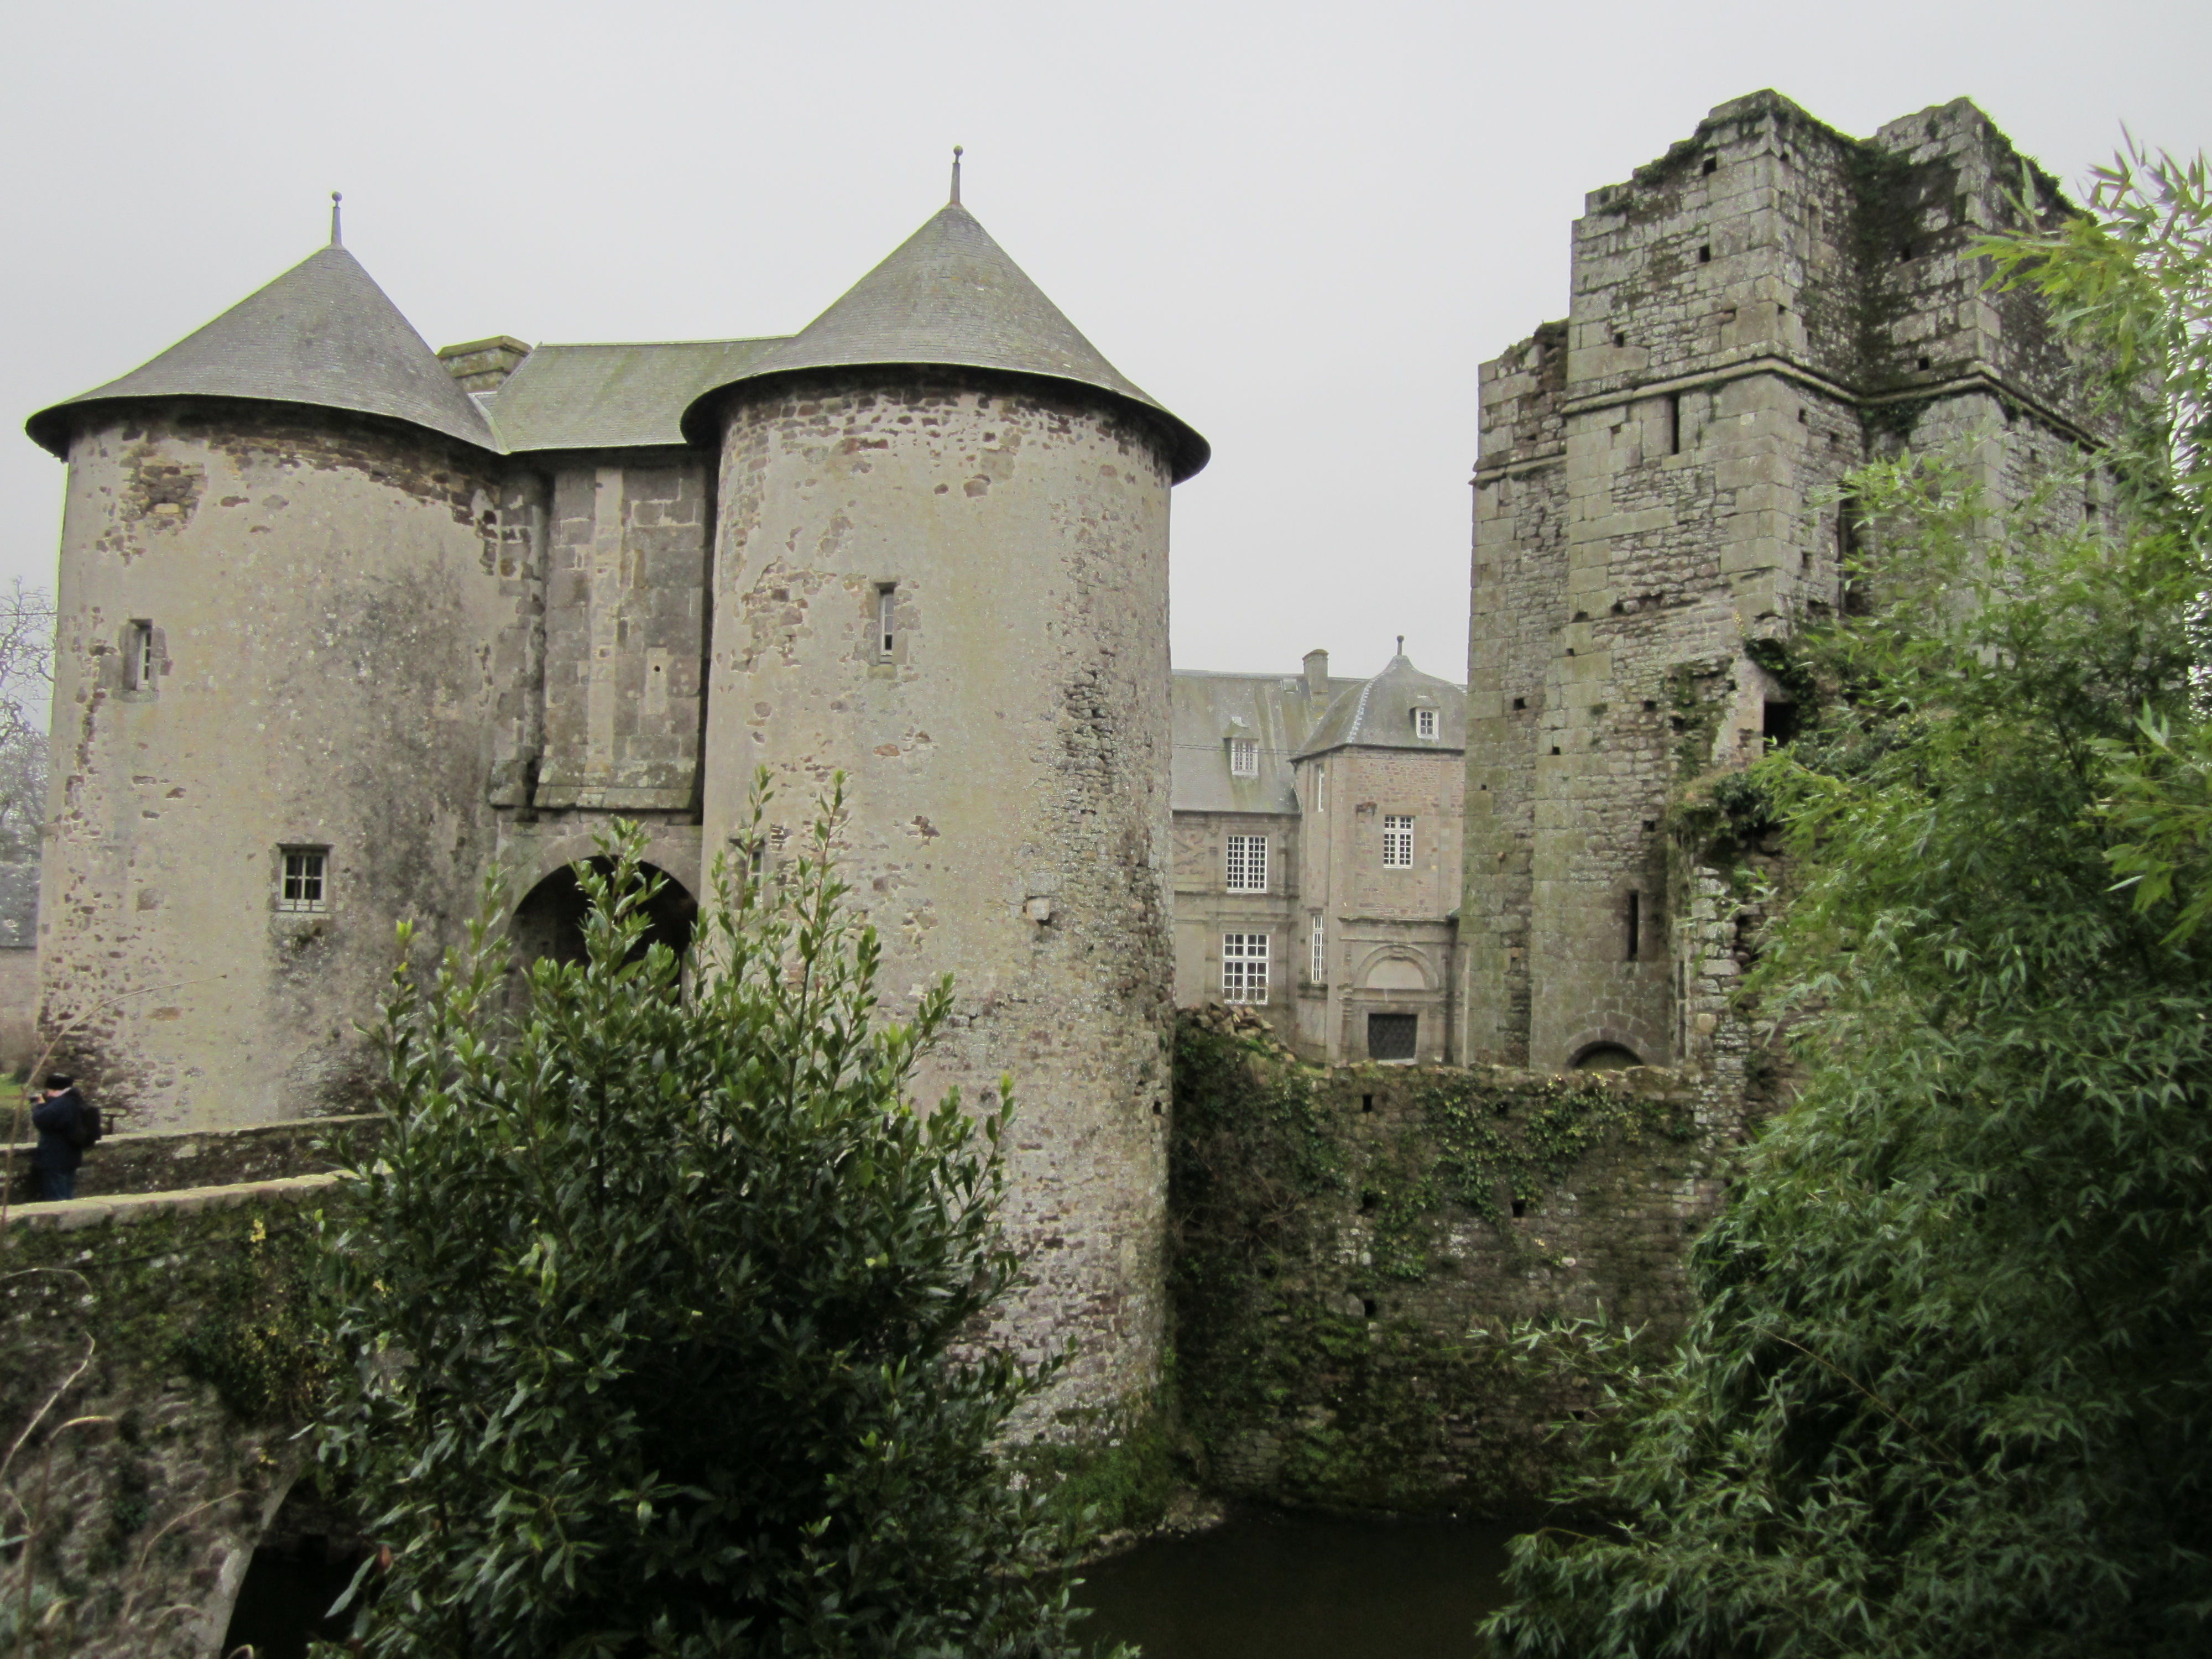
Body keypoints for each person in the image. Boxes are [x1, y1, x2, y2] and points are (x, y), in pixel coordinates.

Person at [30, 1074, 93, 1202]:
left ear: (54, 1090)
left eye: (49, 1091)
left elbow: (41, 1120)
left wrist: (40, 1105)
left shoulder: (62, 1105)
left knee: (57, 1197)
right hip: (71, 1156)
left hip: (56, 1157)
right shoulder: (75, 1101)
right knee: (67, 1193)